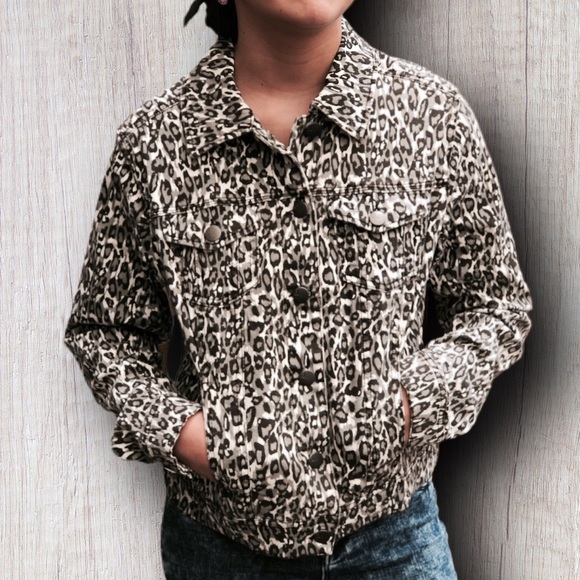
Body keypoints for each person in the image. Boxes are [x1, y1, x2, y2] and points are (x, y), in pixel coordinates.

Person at [64, 1, 532, 578]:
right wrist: (185, 436)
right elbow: (105, 330)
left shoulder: (429, 117)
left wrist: (411, 406)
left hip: (395, 541)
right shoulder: (157, 144)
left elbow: (495, 306)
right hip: (221, 550)